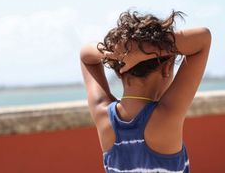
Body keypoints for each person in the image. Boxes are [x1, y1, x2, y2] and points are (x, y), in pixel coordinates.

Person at [80, 10, 211, 173]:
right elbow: (203, 38)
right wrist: (143, 51)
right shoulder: (166, 116)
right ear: (167, 68)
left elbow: (86, 56)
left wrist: (123, 51)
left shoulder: (102, 114)